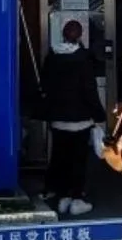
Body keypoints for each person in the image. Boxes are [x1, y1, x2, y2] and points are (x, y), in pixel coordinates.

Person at [40, 19, 107, 216]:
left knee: (60, 157)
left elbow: (45, 85)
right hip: (80, 119)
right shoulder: (83, 58)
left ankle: (62, 196)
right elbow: (89, 90)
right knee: (79, 160)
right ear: (79, 36)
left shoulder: (52, 56)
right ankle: (77, 198)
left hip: (58, 118)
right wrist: (99, 114)